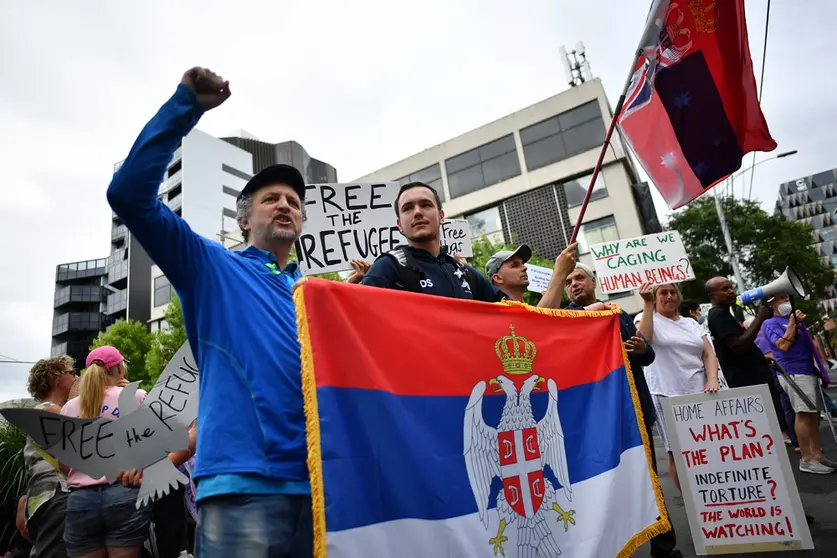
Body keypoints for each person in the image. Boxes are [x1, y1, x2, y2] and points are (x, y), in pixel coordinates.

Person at [107, 66, 312, 557]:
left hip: (321, 490)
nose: (284, 205)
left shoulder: (315, 295)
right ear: (244, 220)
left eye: (292, 201)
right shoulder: (210, 266)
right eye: (270, 199)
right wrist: (185, 106)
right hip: (242, 489)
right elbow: (129, 196)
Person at [564, 265, 682, 558]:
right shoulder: (561, 319)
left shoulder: (616, 314)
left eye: (579, 278)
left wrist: (641, 348)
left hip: (634, 416)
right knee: (599, 490)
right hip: (592, 423)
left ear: (593, 281)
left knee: (649, 483)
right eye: (567, 282)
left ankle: (665, 550)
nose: (574, 285)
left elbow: (647, 357)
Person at [357, 180, 572, 307]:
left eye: (425, 205)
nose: (418, 212)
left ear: (441, 215)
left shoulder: (464, 273)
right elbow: (354, 317)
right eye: (408, 208)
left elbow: (522, 320)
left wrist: (560, 275)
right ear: (399, 224)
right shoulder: (388, 266)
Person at [60, 346, 152, 558]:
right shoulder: (136, 396)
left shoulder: (69, 408)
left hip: (81, 499)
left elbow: (63, 461)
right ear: (119, 369)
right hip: (124, 490)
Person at [637, 283, 720, 491]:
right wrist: (647, 304)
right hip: (666, 393)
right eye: (663, 293)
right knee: (678, 451)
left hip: (702, 391)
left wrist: (712, 378)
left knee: (710, 445)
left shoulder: (691, 324)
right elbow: (643, 341)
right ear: (655, 297)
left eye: (673, 292)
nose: (669, 296)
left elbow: (708, 353)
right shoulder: (646, 318)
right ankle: (693, 501)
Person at [763, 295, 837, 474]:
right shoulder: (770, 323)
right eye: (780, 298)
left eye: (786, 297)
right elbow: (782, 345)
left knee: (813, 413)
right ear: (771, 304)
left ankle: (816, 455)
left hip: (806, 370)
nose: (786, 300)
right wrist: (792, 324)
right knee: (803, 414)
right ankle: (806, 459)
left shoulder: (792, 321)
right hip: (793, 372)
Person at [21, 356, 77, 558]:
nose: (76, 377)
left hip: (41, 496)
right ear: (56, 378)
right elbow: (71, 459)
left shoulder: (41, 411)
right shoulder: (51, 411)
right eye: (72, 373)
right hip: (57, 493)